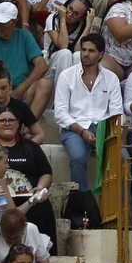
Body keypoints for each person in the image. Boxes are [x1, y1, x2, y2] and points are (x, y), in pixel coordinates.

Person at [51, 34, 121, 191]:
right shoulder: (66, 76)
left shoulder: (111, 78)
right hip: (74, 128)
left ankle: (114, 202)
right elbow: (60, 113)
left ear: (101, 54)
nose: (86, 54)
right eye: (83, 50)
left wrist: (107, 132)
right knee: (77, 157)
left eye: (91, 51)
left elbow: (116, 111)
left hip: (104, 127)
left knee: (122, 157)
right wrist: (82, 131)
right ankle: (83, 202)